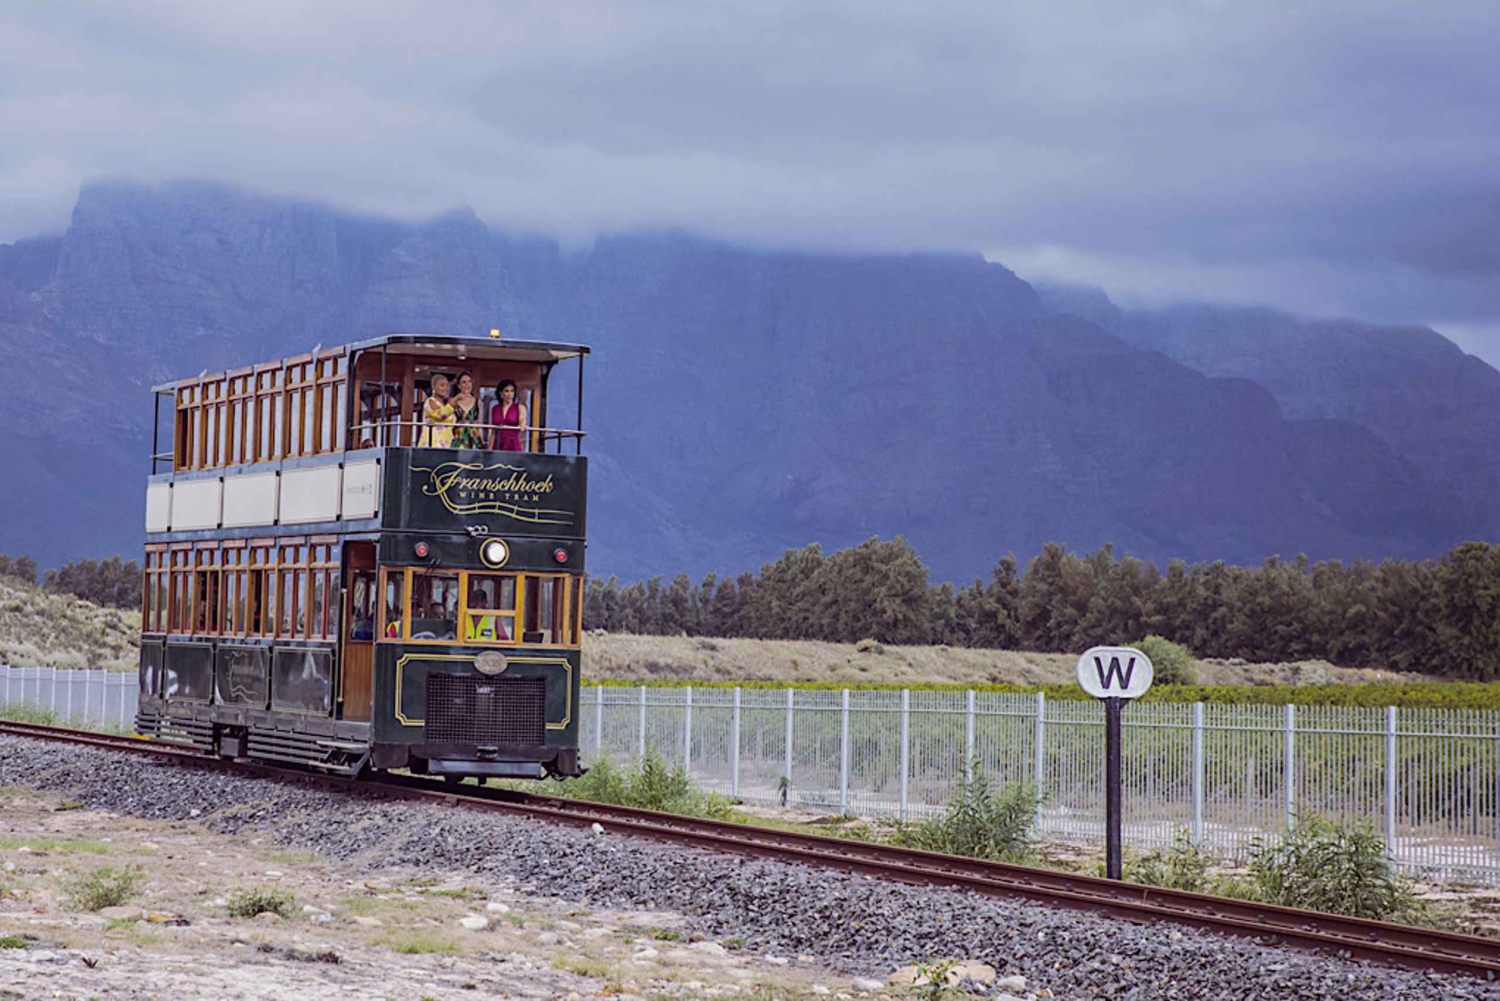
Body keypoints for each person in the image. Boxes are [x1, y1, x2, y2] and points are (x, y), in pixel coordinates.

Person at [417, 374, 456, 448]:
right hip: (434, 440)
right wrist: (452, 403)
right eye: (442, 385)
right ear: (434, 387)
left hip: (447, 440)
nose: (445, 388)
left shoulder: (445, 403)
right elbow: (440, 415)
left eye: (447, 385)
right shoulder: (430, 401)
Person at [490, 379, 527, 452]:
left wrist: (522, 424)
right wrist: (489, 450)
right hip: (498, 444)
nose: (509, 394)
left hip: (513, 444)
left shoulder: (520, 407)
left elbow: (522, 420)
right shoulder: (495, 408)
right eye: (506, 391)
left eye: (512, 391)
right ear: (501, 393)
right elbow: (493, 432)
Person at [451, 372, 485, 450]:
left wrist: (482, 440)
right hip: (458, 437)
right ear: (459, 386)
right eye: (464, 382)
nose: (467, 384)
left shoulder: (477, 402)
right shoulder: (454, 402)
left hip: (474, 437)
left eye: (469, 381)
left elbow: (480, 423)